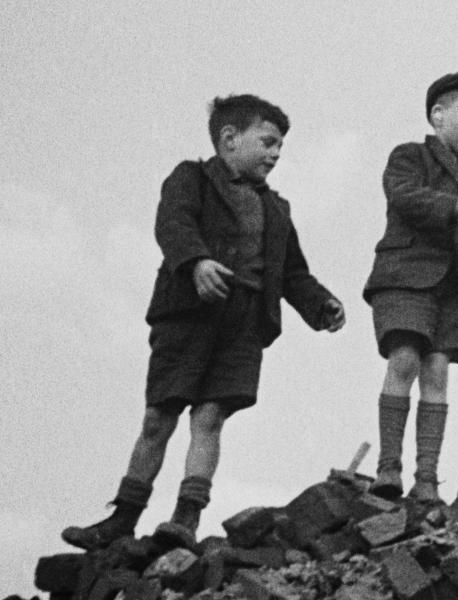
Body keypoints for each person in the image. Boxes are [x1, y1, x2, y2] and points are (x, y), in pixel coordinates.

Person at [61, 94, 345, 550]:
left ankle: (185, 518)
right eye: (267, 142)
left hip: (244, 323)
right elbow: (172, 224)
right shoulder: (190, 178)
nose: (275, 154)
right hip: (189, 316)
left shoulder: (277, 209)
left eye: (280, 148)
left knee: (210, 416)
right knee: (160, 415)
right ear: (230, 139)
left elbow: (292, 272)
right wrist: (196, 263)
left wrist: (321, 305)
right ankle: (122, 518)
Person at [363, 72, 458, 502]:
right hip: (406, 276)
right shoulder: (409, 157)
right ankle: (388, 469)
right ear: (438, 115)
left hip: (454, 287)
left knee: (437, 371)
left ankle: (427, 478)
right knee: (405, 359)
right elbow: (406, 198)